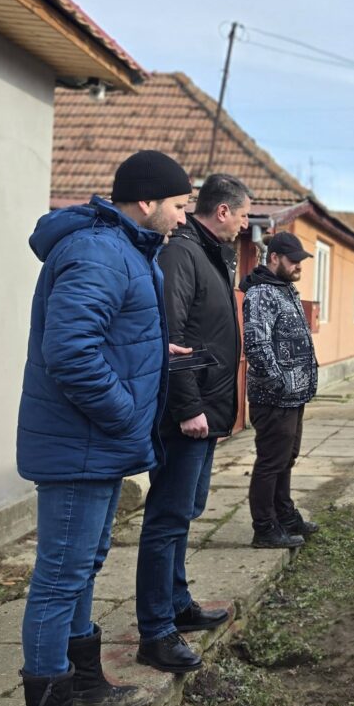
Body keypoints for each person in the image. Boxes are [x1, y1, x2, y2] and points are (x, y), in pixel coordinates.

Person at [15, 150, 192, 706]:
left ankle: (84, 685)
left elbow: (106, 335)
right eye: (177, 205)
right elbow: (70, 352)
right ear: (146, 202)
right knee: (59, 579)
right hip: (81, 442)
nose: (182, 218)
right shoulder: (98, 251)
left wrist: (151, 356)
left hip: (97, 444)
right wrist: (124, 411)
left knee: (84, 567)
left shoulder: (125, 250)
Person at [135, 174, 252, 674]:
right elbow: (171, 334)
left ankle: (178, 603)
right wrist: (187, 407)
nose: (246, 225)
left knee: (185, 511)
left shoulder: (208, 253)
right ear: (223, 211)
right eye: (244, 215)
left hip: (207, 409)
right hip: (188, 413)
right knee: (165, 519)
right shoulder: (183, 253)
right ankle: (156, 631)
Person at [240, 231, 320, 548]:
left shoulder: (286, 290)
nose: (299, 266)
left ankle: (285, 515)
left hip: (294, 396)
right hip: (273, 398)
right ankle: (264, 528)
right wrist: (280, 383)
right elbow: (257, 345)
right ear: (274, 258)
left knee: (287, 459)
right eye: (293, 260)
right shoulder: (261, 294)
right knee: (271, 462)